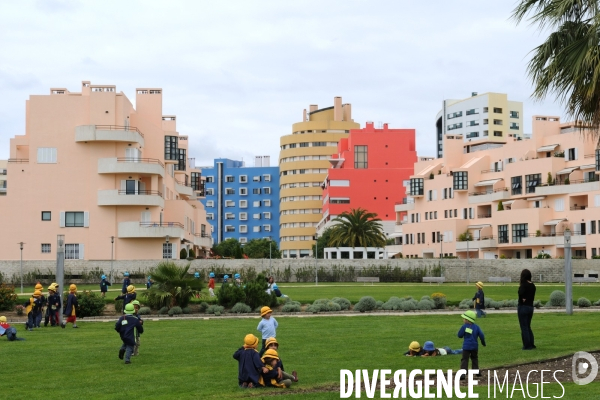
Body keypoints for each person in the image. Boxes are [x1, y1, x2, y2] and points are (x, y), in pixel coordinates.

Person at [458, 310, 486, 377]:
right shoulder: (476, 327)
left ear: (467, 319)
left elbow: (459, 335)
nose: (463, 320)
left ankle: (463, 373)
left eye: (464, 318)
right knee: (474, 358)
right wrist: (483, 342)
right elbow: (482, 335)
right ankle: (476, 371)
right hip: (474, 346)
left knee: (464, 359)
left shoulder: (464, 327)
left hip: (466, 347)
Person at [518, 268, 536, 350]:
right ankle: (531, 343)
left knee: (524, 327)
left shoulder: (524, 284)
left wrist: (523, 298)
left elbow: (520, 293)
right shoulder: (532, 285)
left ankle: (527, 345)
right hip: (530, 307)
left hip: (523, 307)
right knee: (528, 326)